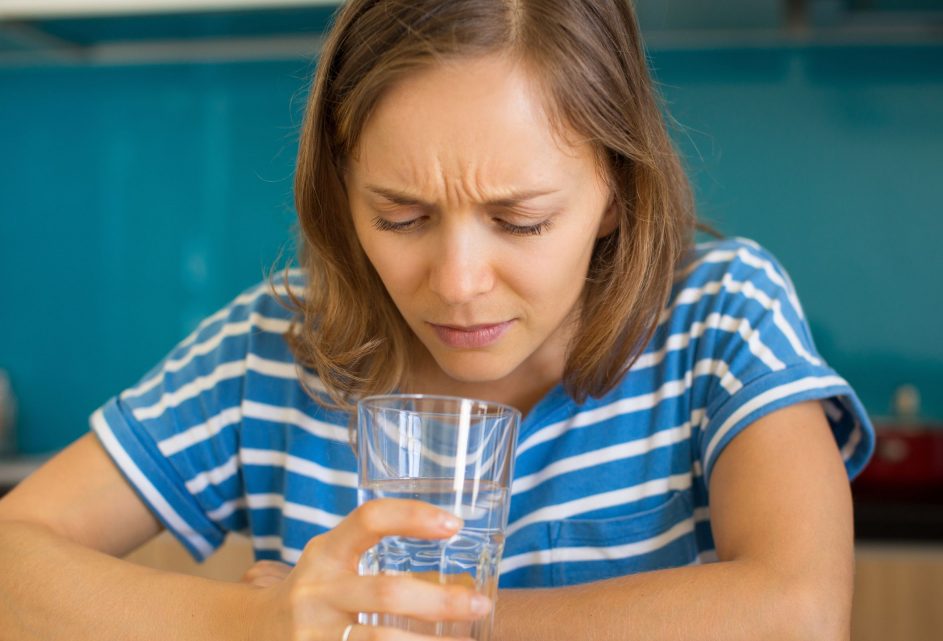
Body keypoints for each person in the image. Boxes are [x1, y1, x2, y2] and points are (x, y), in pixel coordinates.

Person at [0, 1, 875, 640]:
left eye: (521, 220)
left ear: (617, 188)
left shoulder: (719, 314)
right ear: (341, 191)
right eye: (401, 216)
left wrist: (414, 626)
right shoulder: (269, 349)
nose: (458, 284)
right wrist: (261, 623)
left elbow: (797, 610)